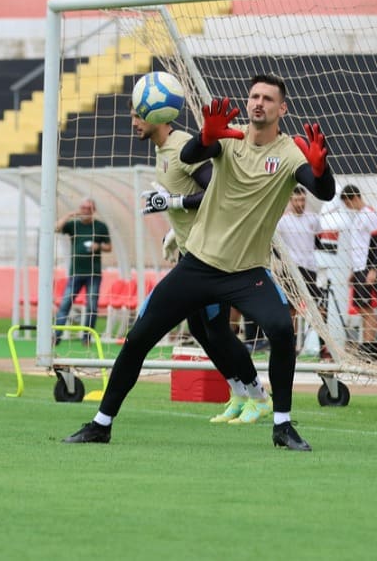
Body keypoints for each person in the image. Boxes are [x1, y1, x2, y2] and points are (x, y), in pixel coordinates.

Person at [64, 74, 337, 451]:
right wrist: (207, 137)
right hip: (199, 265)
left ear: (282, 108)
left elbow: (323, 189)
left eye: (268, 99)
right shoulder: (230, 136)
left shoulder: (290, 152)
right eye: (254, 96)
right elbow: (191, 156)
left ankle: (282, 426)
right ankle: (101, 423)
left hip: (247, 272)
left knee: (281, 331)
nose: (259, 102)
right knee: (139, 338)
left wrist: (323, 170)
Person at [132, 105, 272, 425]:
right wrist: (174, 229)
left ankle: (259, 396)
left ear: (158, 114)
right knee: (199, 328)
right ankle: (238, 391)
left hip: (212, 256)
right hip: (190, 251)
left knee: (217, 329)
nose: (133, 122)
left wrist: (174, 203)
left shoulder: (182, 147)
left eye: (138, 115)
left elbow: (214, 190)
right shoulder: (162, 151)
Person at [274, 185, 332, 361]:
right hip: (291, 269)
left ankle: (325, 346)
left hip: (309, 269)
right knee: (291, 310)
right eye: (296, 200)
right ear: (290, 201)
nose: (300, 203)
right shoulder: (283, 222)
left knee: (317, 308)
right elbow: (277, 247)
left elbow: (317, 241)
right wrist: (283, 265)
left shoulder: (313, 219)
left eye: (302, 200)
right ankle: (290, 348)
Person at [53, 198, 112, 345]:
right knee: (65, 303)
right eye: (83, 208)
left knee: (92, 305)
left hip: (94, 274)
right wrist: (69, 215)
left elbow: (109, 247)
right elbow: (56, 228)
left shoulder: (100, 227)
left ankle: (87, 337)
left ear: (93, 211)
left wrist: (98, 246)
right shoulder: (73, 225)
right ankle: (56, 336)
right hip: (76, 273)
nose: (85, 211)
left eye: (88, 208)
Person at [339, 184, 377, 350]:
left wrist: (373, 269)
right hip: (359, 269)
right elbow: (359, 246)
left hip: (367, 270)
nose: (347, 207)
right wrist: (353, 270)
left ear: (355, 198)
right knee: (362, 308)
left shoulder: (369, 214)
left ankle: (370, 347)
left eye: (347, 203)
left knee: (368, 308)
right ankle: (366, 346)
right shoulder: (358, 217)